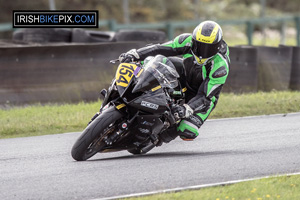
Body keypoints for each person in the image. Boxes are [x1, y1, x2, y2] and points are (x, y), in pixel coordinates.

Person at [119, 20, 230, 144]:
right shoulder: (186, 41)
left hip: (203, 96)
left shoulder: (220, 66)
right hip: (185, 74)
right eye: (199, 45)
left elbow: (205, 96)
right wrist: (136, 54)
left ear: (218, 46)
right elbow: (160, 48)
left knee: (187, 130)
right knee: (159, 62)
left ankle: (156, 138)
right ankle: (138, 93)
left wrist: (188, 108)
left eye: (209, 48)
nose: (203, 51)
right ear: (194, 41)